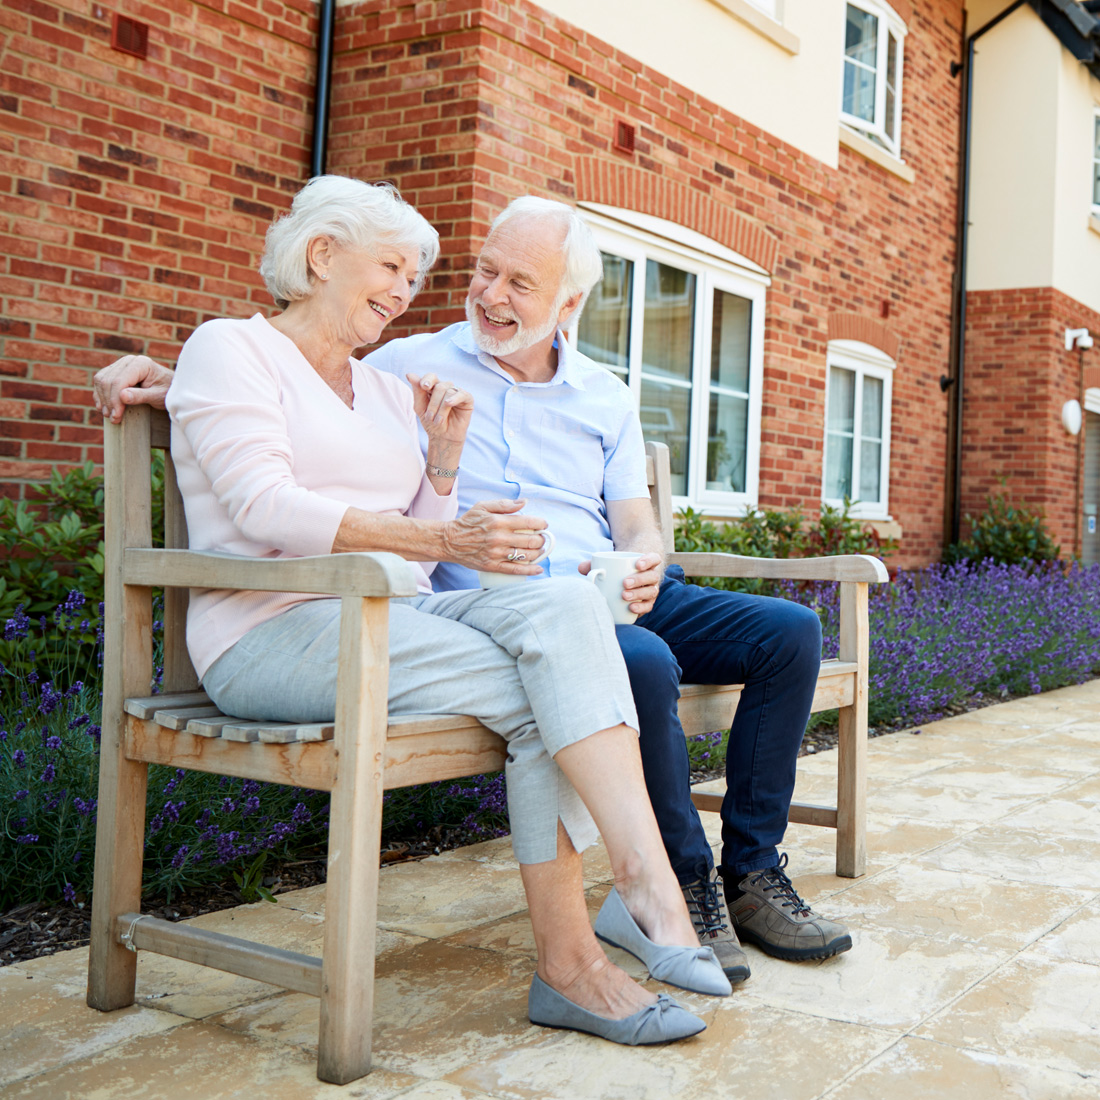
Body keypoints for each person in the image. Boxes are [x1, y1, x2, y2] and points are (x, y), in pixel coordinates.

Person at [95, 194, 853, 985]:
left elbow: (631, 518)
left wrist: (643, 559)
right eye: (483, 272)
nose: (490, 296)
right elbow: (284, 386)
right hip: (450, 606)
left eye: (519, 284)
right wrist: (174, 377)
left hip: (589, 589)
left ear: (568, 304)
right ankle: (675, 887)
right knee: (631, 662)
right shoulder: (407, 360)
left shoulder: (587, 391)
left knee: (788, 633)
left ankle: (748, 876)